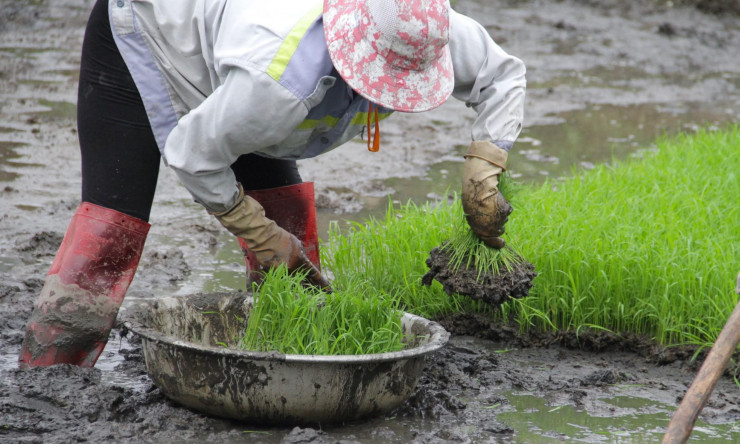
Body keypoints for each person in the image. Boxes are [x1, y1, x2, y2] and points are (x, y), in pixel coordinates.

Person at [18, 0, 526, 368]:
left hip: (235, 60)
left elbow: (504, 77)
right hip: (146, 30)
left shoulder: (418, 24)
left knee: (289, 227)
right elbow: (192, 155)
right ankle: (51, 372)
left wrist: (483, 168)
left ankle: (282, 358)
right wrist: (257, 234)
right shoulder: (277, 81)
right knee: (114, 222)